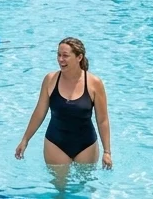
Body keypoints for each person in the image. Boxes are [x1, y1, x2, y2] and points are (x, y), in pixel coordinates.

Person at [15, 37, 113, 174]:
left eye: (65, 56)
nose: (60, 59)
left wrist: (107, 152)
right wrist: (25, 140)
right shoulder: (50, 80)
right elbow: (39, 112)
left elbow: (102, 120)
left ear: (79, 57)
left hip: (86, 145)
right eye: (59, 55)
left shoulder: (94, 83)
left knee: (83, 190)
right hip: (55, 143)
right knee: (60, 192)